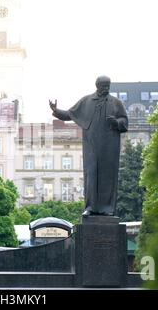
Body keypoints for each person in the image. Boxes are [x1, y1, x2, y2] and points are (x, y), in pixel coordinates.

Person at [50, 76, 128, 217]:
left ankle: (107, 209)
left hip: (110, 146)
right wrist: (56, 111)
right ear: (97, 85)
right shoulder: (86, 101)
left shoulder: (116, 103)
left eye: (108, 85)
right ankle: (90, 207)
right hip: (91, 145)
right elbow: (70, 114)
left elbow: (124, 120)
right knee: (91, 175)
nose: (106, 88)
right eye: (103, 85)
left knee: (107, 176)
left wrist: (116, 123)